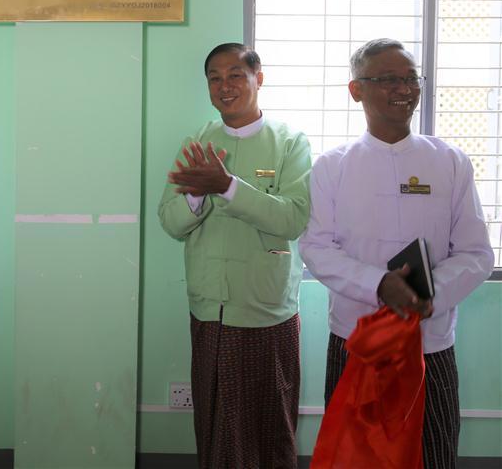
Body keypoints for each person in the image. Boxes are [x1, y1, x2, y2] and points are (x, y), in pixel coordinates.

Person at [299, 38, 494, 468]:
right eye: (388, 79)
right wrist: (378, 285)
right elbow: (315, 248)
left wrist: (431, 296)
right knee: (354, 455)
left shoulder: (450, 161)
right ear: (356, 90)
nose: (404, 89)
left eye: (410, 79)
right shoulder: (333, 166)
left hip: (430, 343)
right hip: (358, 340)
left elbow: (477, 253)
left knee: (433, 453)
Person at [158, 43, 311, 468]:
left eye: (235, 75)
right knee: (215, 427)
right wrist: (195, 195)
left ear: (257, 79)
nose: (225, 86)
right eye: (214, 78)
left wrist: (227, 186)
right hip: (211, 311)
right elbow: (170, 222)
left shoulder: (290, 144)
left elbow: (293, 219)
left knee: (270, 427)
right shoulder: (198, 143)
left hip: (267, 312)